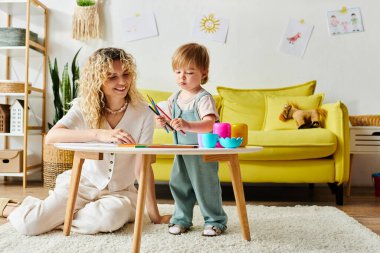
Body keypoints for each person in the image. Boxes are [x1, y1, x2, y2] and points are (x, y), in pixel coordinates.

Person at [1, 47, 171, 235]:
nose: (122, 81)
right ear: (97, 79)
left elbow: (143, 166)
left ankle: (54, 218)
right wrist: (99, 134)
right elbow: (52, 137)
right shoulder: (84, 107)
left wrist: (155, 216)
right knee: (29, 226)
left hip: (120, 193)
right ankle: (17, 209)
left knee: (109, 218)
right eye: (112, 76)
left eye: (126, 74)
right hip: (81, 185)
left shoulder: (144, 113)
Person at [155, 43, 227, 236]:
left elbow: (209, 124)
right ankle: (181, 219)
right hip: (181, 151)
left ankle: (215, 221)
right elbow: (174, 124)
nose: (182, 77)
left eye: (189, 72)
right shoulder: (175, 97)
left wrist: (187, 124)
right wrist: (165, 122)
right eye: (178, 72)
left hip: (202, 152)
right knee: (179, 185)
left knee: (206, 188)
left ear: (204, 72)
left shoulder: (203, 98)